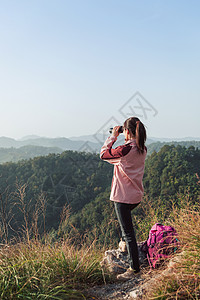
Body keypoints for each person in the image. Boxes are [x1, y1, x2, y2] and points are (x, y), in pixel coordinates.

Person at [100, 116, 147, 281]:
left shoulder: (125, 150)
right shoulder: (142, 148)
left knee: (128, 232)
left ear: (126, 131)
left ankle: (134, 268)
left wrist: (113, 135)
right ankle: (125, 245)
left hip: (122, 197)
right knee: (125, 227)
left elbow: (104, 155)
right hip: (136, 197)